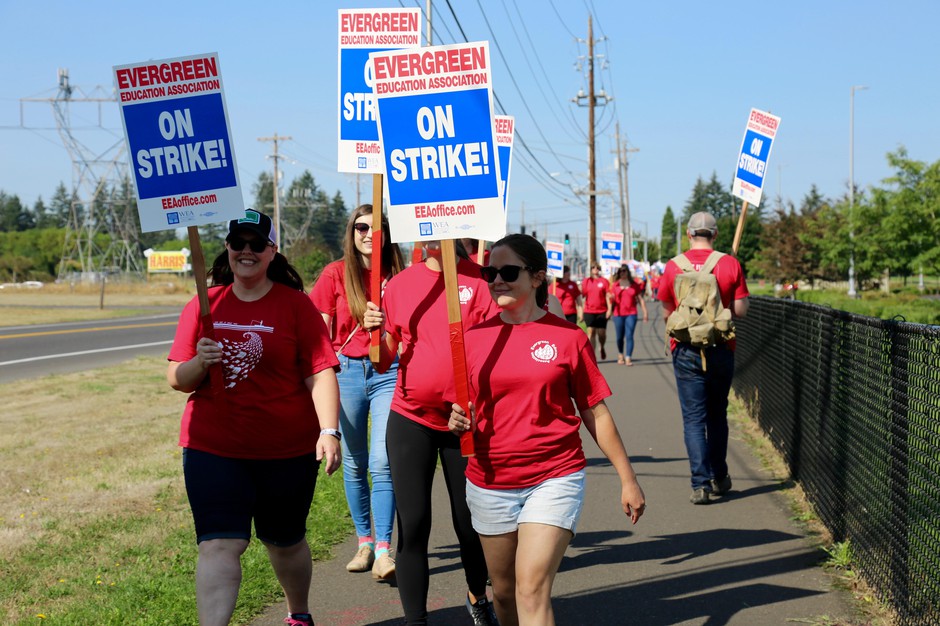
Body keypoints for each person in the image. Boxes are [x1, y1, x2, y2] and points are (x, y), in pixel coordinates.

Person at [448, 234, 646, 626]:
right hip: (490, 479)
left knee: (531, 589)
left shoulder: (569, 338)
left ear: (538, 278)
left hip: (555, 476)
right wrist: (458, 421)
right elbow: (460, 409)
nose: (496, 280)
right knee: (503, 594)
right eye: (490, 272)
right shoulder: (472, 339)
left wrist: (628, 478)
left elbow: (595, 412)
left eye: (508, 271)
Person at [167, 209, 341, 626]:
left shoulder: (295, 305)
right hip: (213, 446)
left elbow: (319, 371)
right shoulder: (204, 303)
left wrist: (329, 430)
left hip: (285, 449)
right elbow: (176, 378)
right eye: (238, 243)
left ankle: (298, 612)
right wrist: (198, 362)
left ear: (271, 251)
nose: (246, 251)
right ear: (227, 248)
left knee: (284, 542)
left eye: (256, 244)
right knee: (218, 544)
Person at [363, 239, 500, 626]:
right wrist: (373, 334)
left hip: (466, 423)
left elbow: (497, 348)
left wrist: (478, 403)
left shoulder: (484, 281)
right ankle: (416, 620)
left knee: (469, 524)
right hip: (410, 418)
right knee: (414, 521)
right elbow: (384, 357)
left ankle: (477, 596)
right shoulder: (402, 285)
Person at [310, 204, 404, 580]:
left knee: (382, 462)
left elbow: (409, 330)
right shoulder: (334, 273)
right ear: (351, 233)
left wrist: (385, 325)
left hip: (388, 372)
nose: (368, 234)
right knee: (354, 461)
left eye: (376, 228)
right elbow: (319, 335)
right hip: (345, 373)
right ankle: (363, 542)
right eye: (361, 227)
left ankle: (384, 550)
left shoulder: (397, 276)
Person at [658, 212, 749, 505]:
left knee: (694, 418)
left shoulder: (674, 266)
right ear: (715, 235)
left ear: (688, 234)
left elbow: (666, 311)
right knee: (717, 414)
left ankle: (700, 485)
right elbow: (741, 310)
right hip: (721, 347)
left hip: (685, 349)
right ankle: (719, 476)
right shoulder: (729, 263)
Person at [609, 264, 649, 366]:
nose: (622, 273)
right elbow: (611, 299)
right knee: (619, 337)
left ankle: (628, 357)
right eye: (621, 271)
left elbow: (640, 299)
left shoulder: (634, 285)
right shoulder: (615, 285)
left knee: (629, 335)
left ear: (628, 272)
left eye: (624, 271)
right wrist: (610, 300)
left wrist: (645, 312)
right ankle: (620, 354)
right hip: (618, 314)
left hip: (631, 313)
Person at [581, 263, 611, 360]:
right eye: (593, 268)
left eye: (597, 268)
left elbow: (607, 296)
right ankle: (592, 355)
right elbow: (582, 296)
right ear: (590, 269)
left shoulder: (604, 281)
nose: (595, 269)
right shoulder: (587, 281)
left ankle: (602, 347)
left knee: (601, 333)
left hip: (602, 310)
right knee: (591, 332)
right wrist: (581, 311)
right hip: (589, 310)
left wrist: (609, 309)